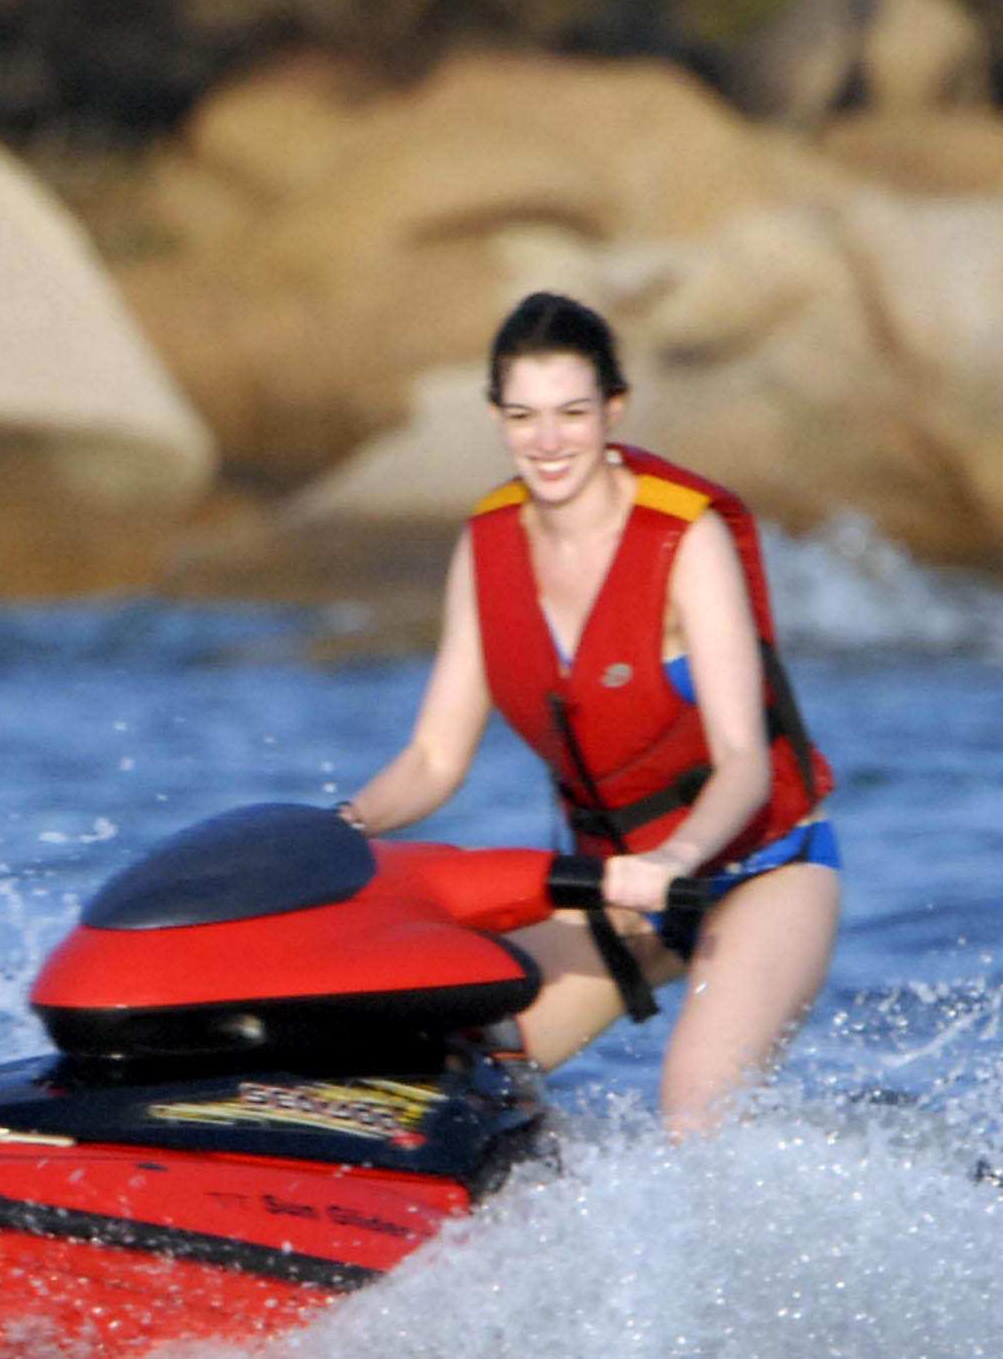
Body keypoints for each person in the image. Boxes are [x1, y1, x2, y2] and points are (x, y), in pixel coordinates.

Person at [335, 292, 839, 1133]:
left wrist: (676, 856)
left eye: (572, 413)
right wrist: (341, 825)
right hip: (615, 889)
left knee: (693, 1110)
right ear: (497, 417)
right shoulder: (488, 544)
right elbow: (432, 759)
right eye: (524, 415)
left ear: (614, 409)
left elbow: (745, 761)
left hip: (761, 871)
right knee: (445, 1073)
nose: (548, 440)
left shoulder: (685, 540)